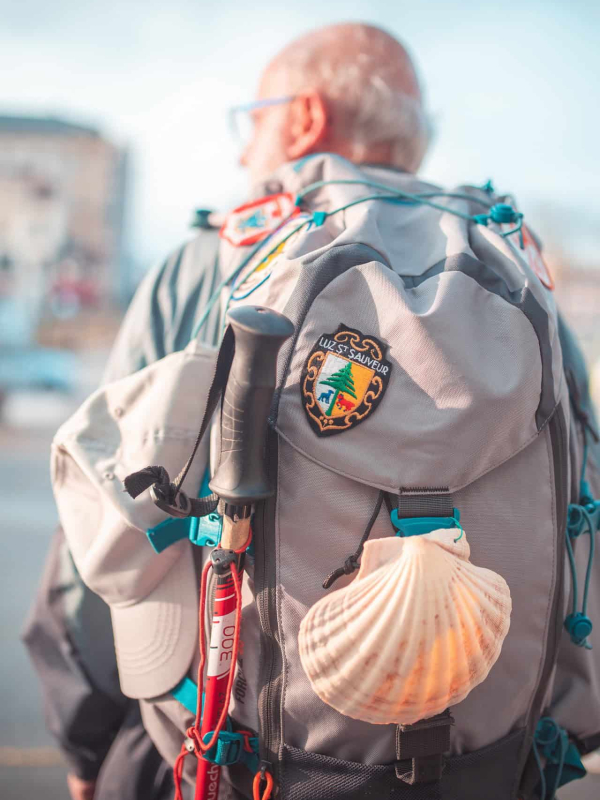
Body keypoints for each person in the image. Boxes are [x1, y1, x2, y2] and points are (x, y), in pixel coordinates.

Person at [36, 20, 600, 800]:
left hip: (238, 766)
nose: (244, 153)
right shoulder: (516, 263)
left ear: (303, 119)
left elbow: (101, 521)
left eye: (253, 122)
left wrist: (86, 739)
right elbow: (583, 521)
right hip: (492, 768)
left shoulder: (218, 257)